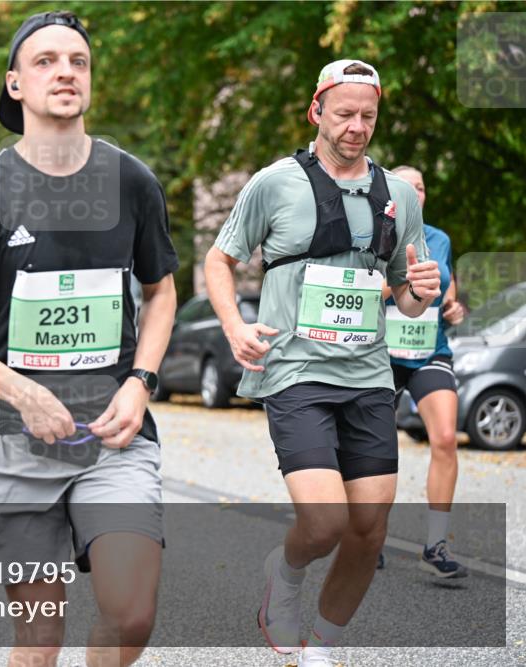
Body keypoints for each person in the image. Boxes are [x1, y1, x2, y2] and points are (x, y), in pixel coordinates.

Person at [0, 11, 178, 667]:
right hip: (13, 440)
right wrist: (21, 392)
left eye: (78, 61)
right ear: (15, 84)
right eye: (46, 61)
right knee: (40, 638)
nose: (65, 71)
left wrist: (140, 383)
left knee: (131, 611)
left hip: (113, 435)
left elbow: (161, 291)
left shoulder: (131, 181)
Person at [205, 60, 441, 666]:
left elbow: (409, 303)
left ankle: (322, 644)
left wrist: (421, 289)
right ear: (316, 111)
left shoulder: (397, 196)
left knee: (369, 527)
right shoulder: (274, 183)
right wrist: (234, 326)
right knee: (324, 520)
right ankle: (283, 577)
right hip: (294, 368)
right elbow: (219, 259)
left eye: (368, 115)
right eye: (345, 114)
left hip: (366, 373)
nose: (357, 126)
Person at [381, 165, 467, 578]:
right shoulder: (376, 235)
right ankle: (367, 534)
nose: (417, 190)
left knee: (447, 438)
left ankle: (435, 545)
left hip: (429, 350)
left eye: (422, 185)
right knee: (375, 450)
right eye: (408, 185)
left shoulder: (439, 240)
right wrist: (400, 280)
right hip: (380, 355)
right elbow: (358, 290)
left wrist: (454, 308)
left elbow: (448, 298)